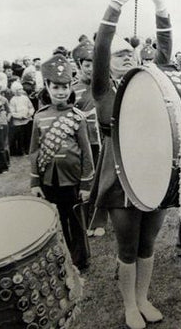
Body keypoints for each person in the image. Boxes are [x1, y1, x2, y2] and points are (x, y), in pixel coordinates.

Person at [91, 0, 171, 329]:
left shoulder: (153, 82)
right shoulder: (102, 90)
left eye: (130, 53)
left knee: (148, 243)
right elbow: (101, 45)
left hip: (153, 173)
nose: (126, 56)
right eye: (119, 55)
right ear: (108, 65)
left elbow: (166, 53)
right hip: (119, 179)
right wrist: (115, 5)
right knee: (127, 246)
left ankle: (142, 298)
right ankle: (128, 305)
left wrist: (161, 9)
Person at [29, 54, 94, 270]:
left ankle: (80, 260)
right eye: (56, 87)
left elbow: (86, 152)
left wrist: (86, 185)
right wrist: (35, 182)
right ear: (47, 86)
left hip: (73, 179)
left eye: (65, 86)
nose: (61, 92)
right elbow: (34, 152)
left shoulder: (78, 117)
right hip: (49, 180)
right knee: (56, 220)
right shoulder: (39, 117)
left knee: (76, 222)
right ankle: (63, 257)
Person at [72, 41, 108, 237]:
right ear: (79, 66)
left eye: (94, 64)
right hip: (85, 142)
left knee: (103, 180)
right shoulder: (74, 89)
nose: (91, 69)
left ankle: (100, 220)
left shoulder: (103, 85)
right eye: (87, 65)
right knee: (87, 180)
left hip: (103, 140)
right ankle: (87, 220)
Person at [8, 80, 34, 156]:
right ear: (15, 91)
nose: (20, 91)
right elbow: (12, 112)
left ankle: (27, 150)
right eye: (18, 90)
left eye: (21, 89)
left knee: (27, 136)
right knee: (20, 137)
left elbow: (31, 107)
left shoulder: (25, 98)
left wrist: (30, 113)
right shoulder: (13, 100)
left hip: (27, 119)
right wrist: (20, 116)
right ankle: (20, 151)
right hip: (18, 122)